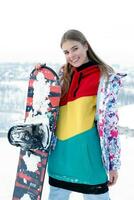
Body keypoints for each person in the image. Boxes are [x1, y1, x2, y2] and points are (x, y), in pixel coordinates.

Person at [35, 29, 126, 200]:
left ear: (86, 46)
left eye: (75, 48)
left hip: (89, 158)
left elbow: (110, 124)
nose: (71, 55)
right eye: (66, 52)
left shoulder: (104, 76)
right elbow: (45, 107)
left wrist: (113, 164)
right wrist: (41, 76)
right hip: (60, 156)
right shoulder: (62, 75)